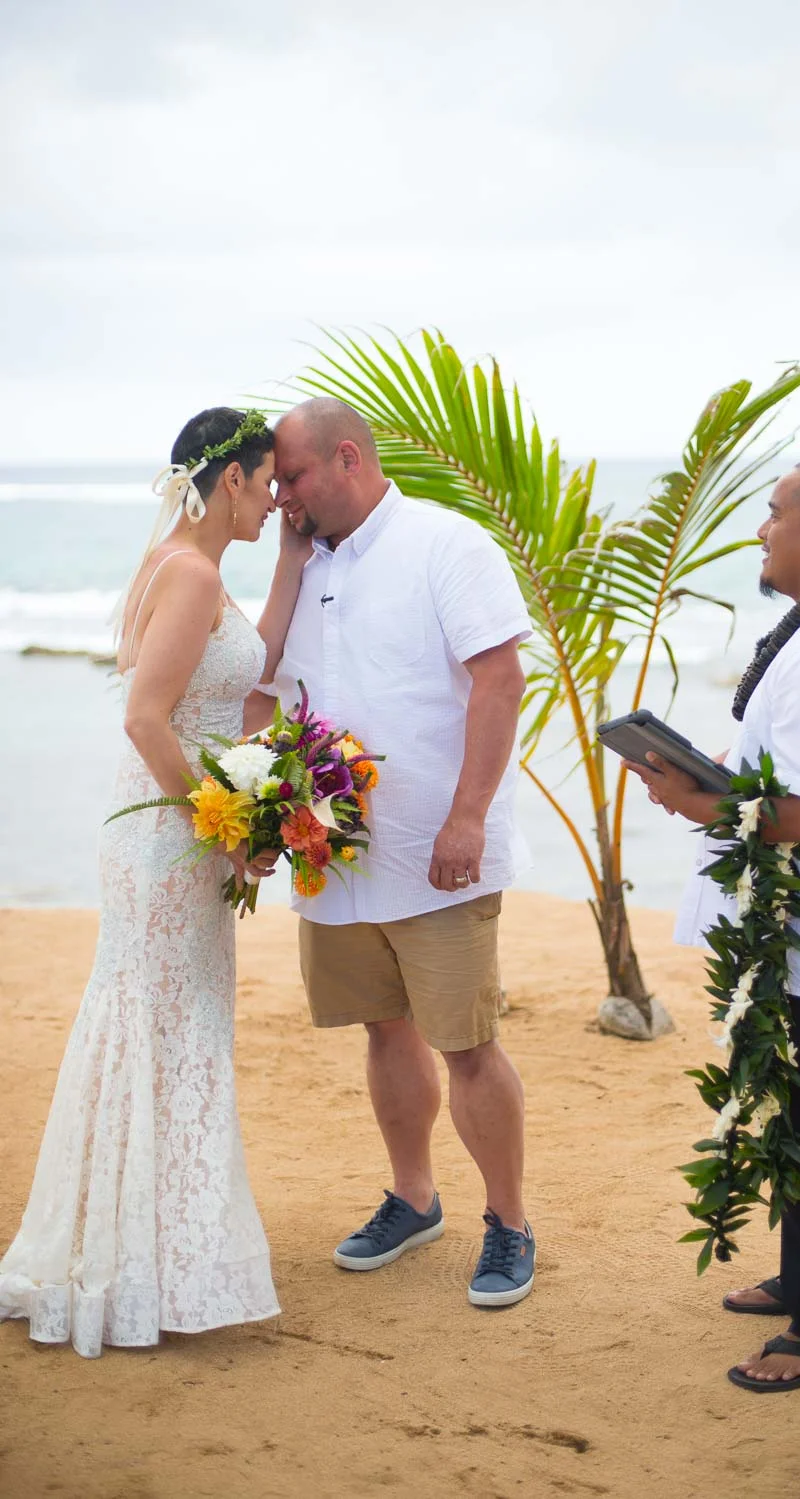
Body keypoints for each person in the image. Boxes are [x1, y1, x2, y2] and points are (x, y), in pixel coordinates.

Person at [0, 408, 311, 1357]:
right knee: (167, 1030)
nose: (276, 499)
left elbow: (241, 673)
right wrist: (225, 825)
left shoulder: (186, 566)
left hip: (167, 830)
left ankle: (155, 1254)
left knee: (166, 1029)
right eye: (268, 483)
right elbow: (146, 718)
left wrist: (292, 561)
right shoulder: (191, 573)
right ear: (231, 480)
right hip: (167, 837)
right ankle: (146, 1263)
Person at [625, 456, 800, 1392]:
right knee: (798, 1103)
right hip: (794, 918)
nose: (761, 527)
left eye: (775, 511)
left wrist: (692, 803)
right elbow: (785, 775)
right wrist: (712, 773)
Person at [249, 396, 536, 1308]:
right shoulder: (302, 564)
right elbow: (266, 689)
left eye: (292, 477)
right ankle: (414, 1198)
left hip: (435, 850)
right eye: (274, 484)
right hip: (333, 855)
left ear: (347, 457)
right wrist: (257, 815)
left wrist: (468, 817)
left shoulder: (446, 544)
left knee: (469, 1043)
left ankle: (510, 1222)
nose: (281, 497)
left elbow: (500, 680)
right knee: (382, 1028)